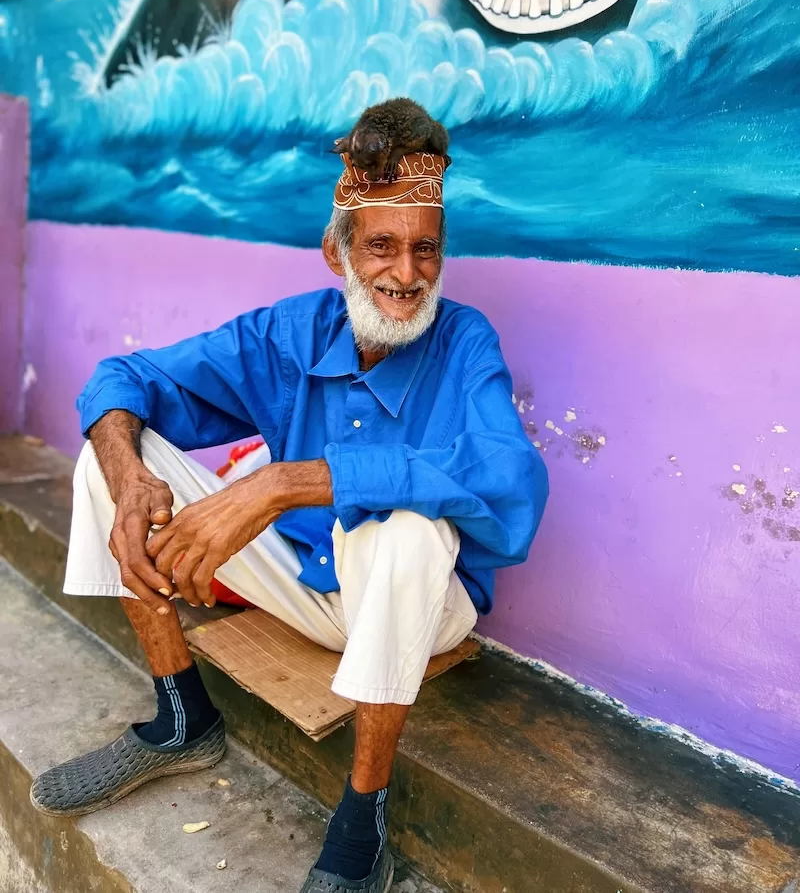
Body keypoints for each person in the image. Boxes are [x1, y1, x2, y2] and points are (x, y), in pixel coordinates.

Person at [30, 126, 549, 893]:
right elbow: (123, 377)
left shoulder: (465, 341)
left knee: (402, 529)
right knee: (112, 460)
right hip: (303, 578)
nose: (407, 275)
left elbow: (512, 478)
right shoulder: (293, 331)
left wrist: (281, 483)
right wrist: (131, 477)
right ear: (336, 251)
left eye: (426, 249)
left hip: (420, 603)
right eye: (380, 245)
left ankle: (363, 816)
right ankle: (182, 716)